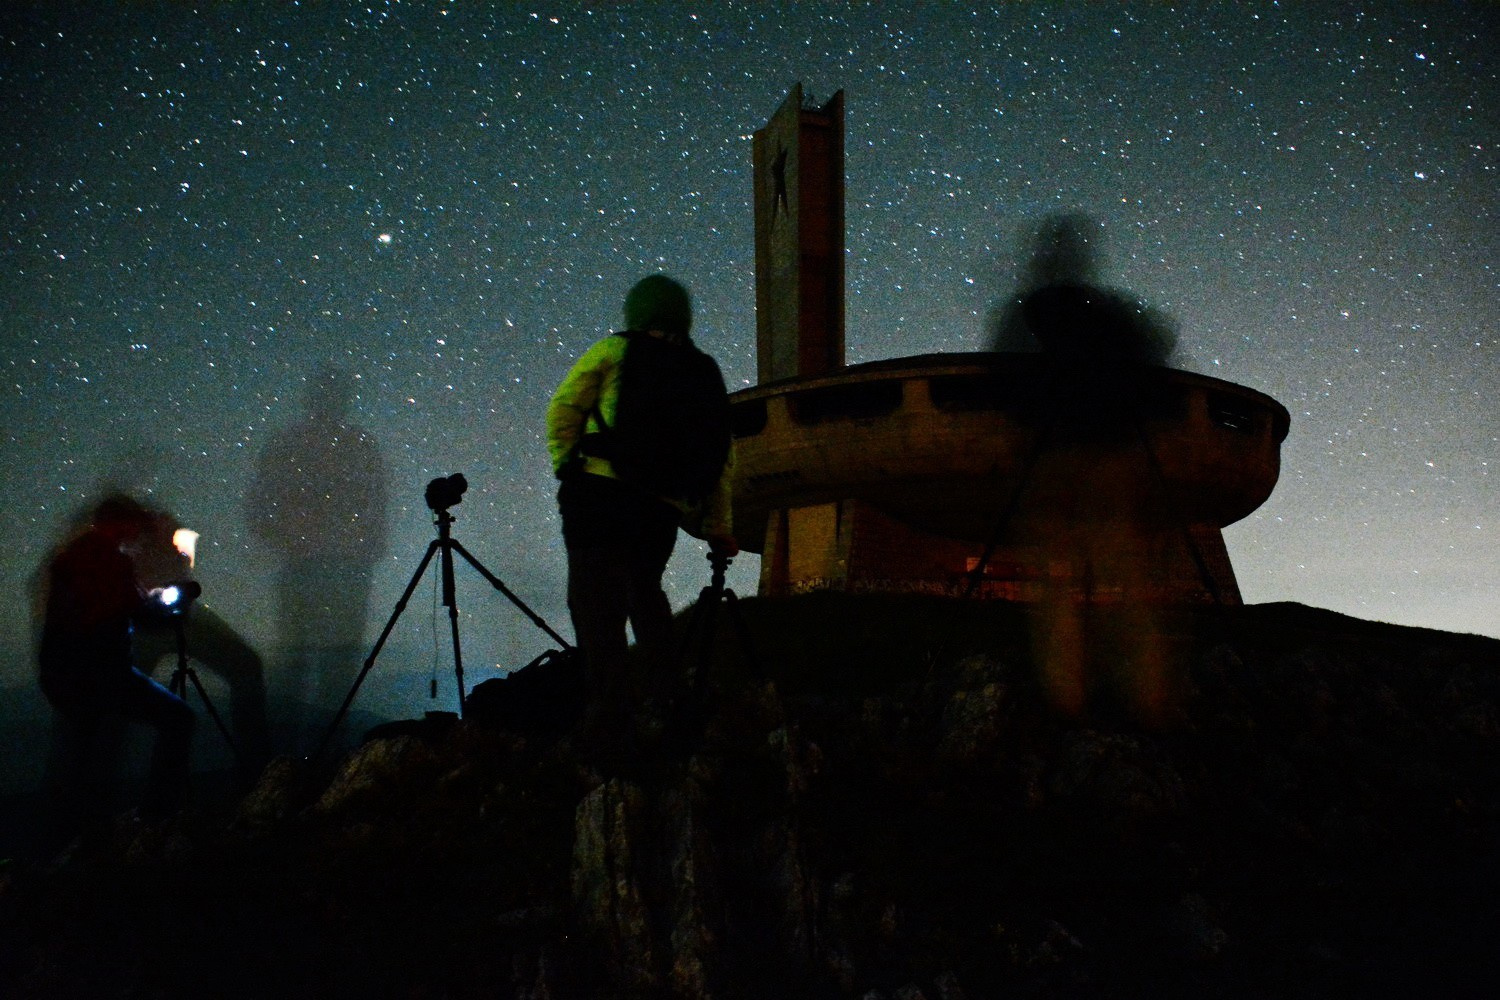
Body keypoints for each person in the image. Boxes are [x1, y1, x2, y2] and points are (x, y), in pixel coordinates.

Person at [546, 275, 736, 759]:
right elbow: (721, 457)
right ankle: (664, 697)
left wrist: (565, 460)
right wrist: (719, 527)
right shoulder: (704, 372)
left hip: (598, 493)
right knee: (644, 591)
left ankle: (609, 718)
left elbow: (564, 405)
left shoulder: (614, 352)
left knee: (593, 601)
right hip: (660, 508)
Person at [36, 495, 196, 841]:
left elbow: (109, 605)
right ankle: (157, 817)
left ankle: (65, 839)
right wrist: (173, 606)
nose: (139, 530)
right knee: (179, 719)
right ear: (120, 522)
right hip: (102, 673)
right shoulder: (109, 560)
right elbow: (137, 613)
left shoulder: (71, 557)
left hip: (64, 673)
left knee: (79, 755)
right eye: (134, 522)